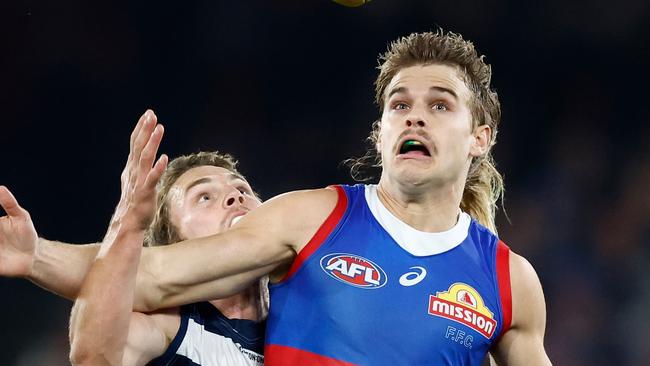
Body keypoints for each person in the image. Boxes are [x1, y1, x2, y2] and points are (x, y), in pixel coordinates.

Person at [3, 30, 552, 365]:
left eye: (440, 105)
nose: (413, 113)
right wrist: (36, 256)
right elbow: (149, 277)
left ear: (481, 137)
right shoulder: (310, 217)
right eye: (398, 104)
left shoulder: (510, 282)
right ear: (380, 132)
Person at [0, 111, 267, 366]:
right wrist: (128, 220)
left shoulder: (300, 299)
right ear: (173, 244)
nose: (235, 197)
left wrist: (37, 256)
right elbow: (95, 360)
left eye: (241, 187)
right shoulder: (168, 326)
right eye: (204, 197)